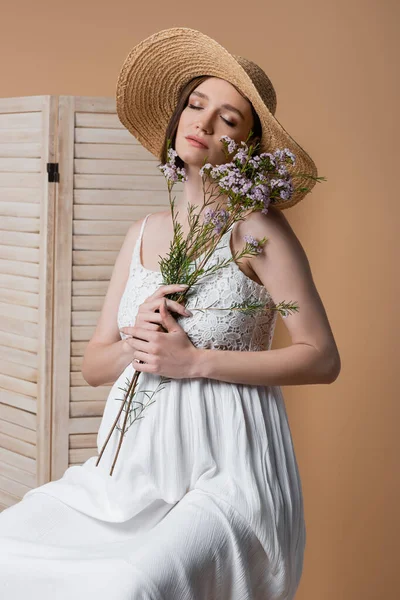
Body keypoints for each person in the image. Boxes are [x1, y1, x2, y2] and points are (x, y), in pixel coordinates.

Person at [0, 27, 341, 599]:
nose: (203, 124)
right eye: (196, 104)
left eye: (228, 120)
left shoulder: (256, 234)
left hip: (225, 472)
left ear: (246, 148)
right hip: (127, 475)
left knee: (129, 584)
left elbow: (321, 357)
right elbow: (95, 365)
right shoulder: (142, 233)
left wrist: (194, 360)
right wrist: (140, 336)